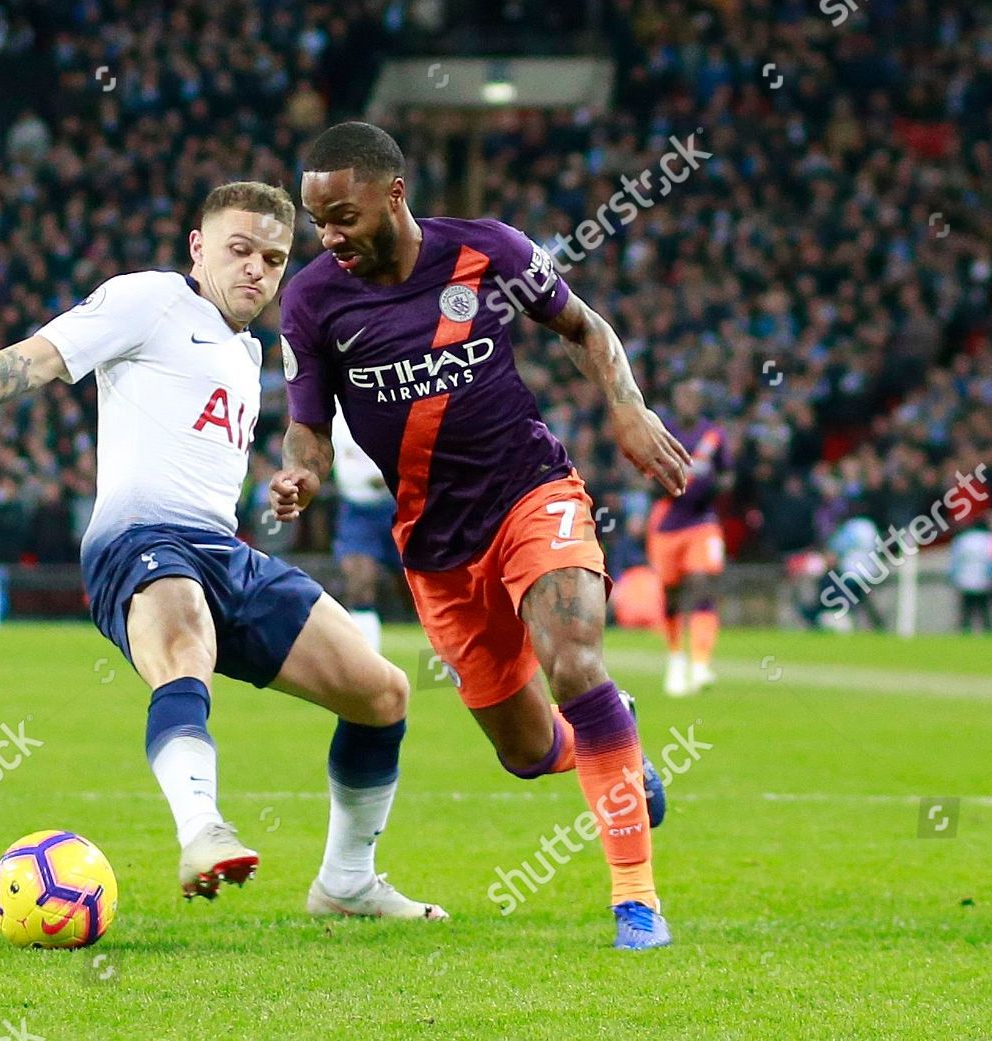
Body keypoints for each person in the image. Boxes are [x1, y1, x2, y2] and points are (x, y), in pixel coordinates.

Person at [0, 181, 445, 919]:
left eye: (273, 259)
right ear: (198, 247)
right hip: (138, 541)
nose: (256, 269)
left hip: (222, 552)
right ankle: (202, 831)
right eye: (239, 249)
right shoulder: (149, 300)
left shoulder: (249, 350)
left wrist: (295, 483)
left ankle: (346, 883)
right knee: (186, 641)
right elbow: (35, 359)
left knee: (382, 693)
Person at [270, 122, 685, 949]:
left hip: (531, 492)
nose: (330, 237)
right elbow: (308, 427)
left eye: (344, 216)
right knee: (527, 750)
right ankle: (610, 737)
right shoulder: (313, 300)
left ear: (394, 194)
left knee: (576, 662)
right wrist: (301, 474)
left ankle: (636, 901)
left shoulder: (487, 252)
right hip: (435, 544)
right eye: (318, 221)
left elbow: (586, 328)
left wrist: (629, 409)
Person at [647, 381, 731, 696]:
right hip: (667, 522)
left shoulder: (714, 435)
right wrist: (660, 484)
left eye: (693, 397)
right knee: (671, 595)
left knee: (702, 584)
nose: (688, 402)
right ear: (675, 400)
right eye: (683, 396)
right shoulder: (661, 433)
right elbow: (644, 471)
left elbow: (728, 472)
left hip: (702, 521)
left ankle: (700, 663)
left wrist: (716, 486)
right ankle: (676, 659)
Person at [330, 404, 400, 652]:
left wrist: (390, 476)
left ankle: (448, 651)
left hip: (400, 505)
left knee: (424, 583)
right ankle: (367, 655)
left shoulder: (387, 403)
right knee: (359, 583)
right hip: (356, 509)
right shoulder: (331, 412)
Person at [950, 521, 992, 633]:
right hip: (984, 577)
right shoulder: (988, 539)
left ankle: (965, 630)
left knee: (966, 608)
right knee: (984, 608)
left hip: (965, 578)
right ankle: (987, 631)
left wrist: (953, 576)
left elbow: (955, 560)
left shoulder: (962, 540)